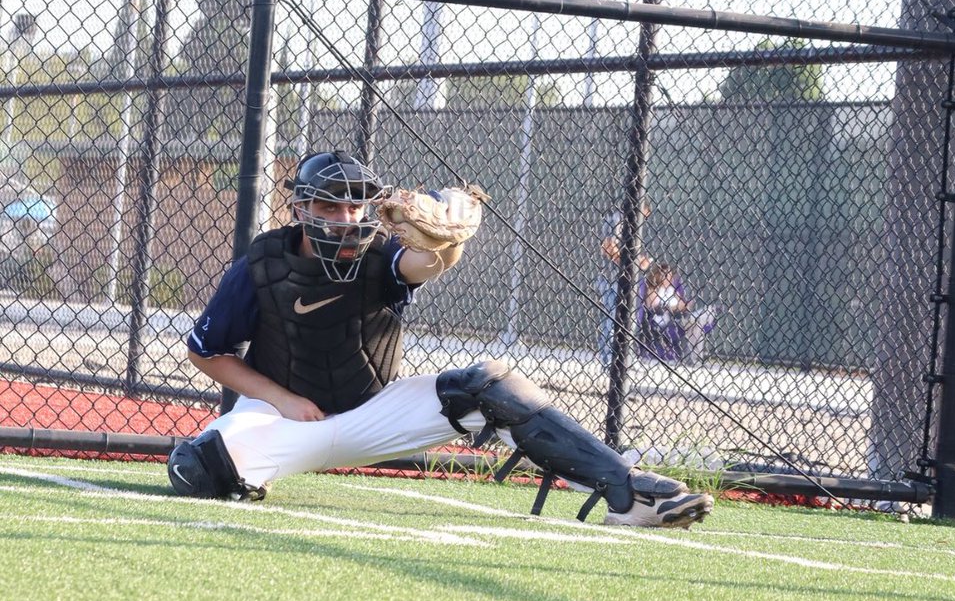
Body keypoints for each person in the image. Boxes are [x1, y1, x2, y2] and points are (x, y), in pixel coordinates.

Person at [167, 150, 713, 530]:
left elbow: (424, 264)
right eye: (329, 206)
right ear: (301, 208)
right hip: (285, 419)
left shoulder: (382, 252)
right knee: (196, 469)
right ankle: (255, 472)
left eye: (355, 204)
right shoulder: (263, 262)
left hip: (373, 415)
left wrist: (447, 241)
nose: (345, 216)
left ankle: (627, 491)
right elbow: (204, 351)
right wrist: (281, 399)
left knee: (491, 384)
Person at [596, 199, 651, 368]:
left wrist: (639, 262)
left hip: (629, 278)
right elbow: (608, 248)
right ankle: (609, 360)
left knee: (629, 319)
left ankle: (625, 358)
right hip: (613, 278)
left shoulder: (634, 227)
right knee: (613, 319)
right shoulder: (617, 221)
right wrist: (632, 262)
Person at [640, 261, 717, 365]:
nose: (667, 277)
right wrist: (673, 306)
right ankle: (695, 358)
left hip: (678, 319)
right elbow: (653, 305)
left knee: (698, 324)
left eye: (669, 274)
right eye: (663, 274)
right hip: (662, 323)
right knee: (696, 325)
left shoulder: (673, 290)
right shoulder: (653, 289)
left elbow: (684, 306)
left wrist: (679, 306)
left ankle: (694, 357)